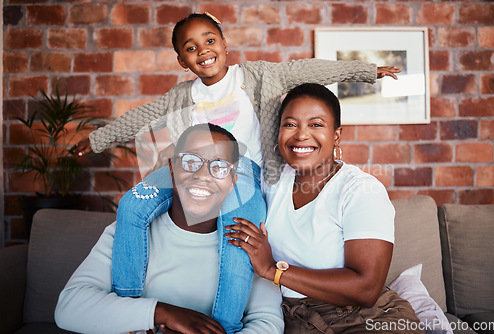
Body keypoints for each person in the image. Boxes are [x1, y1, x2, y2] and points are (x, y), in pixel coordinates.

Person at [75, 12, 401, 333]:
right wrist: (97, 139)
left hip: (242, 171)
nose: (202, 50)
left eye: (209, 40)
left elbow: (307, 69)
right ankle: (128, 304)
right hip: (192, 165)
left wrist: (366, 71)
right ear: (181, 60)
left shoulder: (256, 77)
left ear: (224, 44)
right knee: (132, 203)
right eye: (190, 48)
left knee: (237, 238)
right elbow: (140, 117)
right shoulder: (179, 96)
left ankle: (225, 325)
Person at [225, 83, 424, 333]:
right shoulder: (270, 181)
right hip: (290, 316)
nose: (301, 135)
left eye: (316, 124)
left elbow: (366, 288)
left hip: (362, 318)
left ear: (336, 135)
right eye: (290, 124)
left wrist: (272, 270)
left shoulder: (360, 190)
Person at [55, 123, 284, 334]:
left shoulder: (247, 244)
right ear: (172, 169)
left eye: (220, 167)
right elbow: (69, 308)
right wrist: (164, 313)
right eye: (190, 162)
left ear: (233, 180)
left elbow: (268, 322)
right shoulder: (129, 232)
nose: (203, 175)